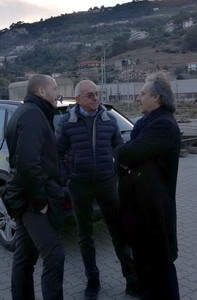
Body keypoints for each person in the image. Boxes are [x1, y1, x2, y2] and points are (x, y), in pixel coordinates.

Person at [56, 80, 139, 300]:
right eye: (90, 95)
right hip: (79, 186)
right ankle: (93, 281)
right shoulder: (66, 123)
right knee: (85, 235)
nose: (96, 98)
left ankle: (132, 280)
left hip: (106, 183)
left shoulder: (108, 120)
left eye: (97, 94)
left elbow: (119, 150)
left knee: (118, 232)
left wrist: (120, 173)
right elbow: (58, 154)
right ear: (79, 99)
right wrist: (67, 179)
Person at [114, 72, 181, 300]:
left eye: (142, 94)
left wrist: (119, 154)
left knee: (161, 272)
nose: (137, 98)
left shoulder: (163, 126)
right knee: (144, 269)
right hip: (140, 211)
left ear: (157, 98)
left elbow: (128, 152)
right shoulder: (147, 124)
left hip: (155, 213)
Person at [5, 74, 65, 300]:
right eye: (55, 88)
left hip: (24, 196)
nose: (58, 93)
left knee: (25, 257)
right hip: (32, 200)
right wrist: (40, 202)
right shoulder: (32, 115)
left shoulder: (29, 112)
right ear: (41, 92)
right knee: (54, 256)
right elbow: (28, 163)